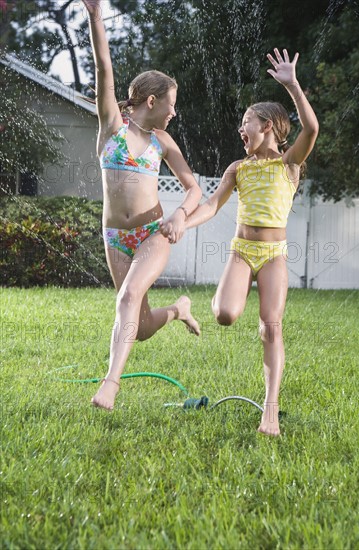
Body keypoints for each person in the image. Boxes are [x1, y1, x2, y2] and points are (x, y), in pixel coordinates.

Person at [162, 49, 319, 436]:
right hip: (241, 252)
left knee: (272, 327)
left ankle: (270, 410)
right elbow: (212, 205)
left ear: (267, 125)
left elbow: (311, 130)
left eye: (245, 121)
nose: (240, 128)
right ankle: (229, 292)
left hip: (273, 255)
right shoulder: (239, 167)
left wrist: (293, 85)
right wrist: (183, 219)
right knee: (226, 315)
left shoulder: (289, 165)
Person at [81, 0, 202, 411]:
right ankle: (179, 309)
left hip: (153, 232)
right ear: (151, 101)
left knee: (127, 296)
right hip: (115, 235)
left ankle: (110, 384)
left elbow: (194, 188)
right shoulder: (112, 127)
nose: (175, 110)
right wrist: (96, 17)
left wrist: (181, 214)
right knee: (144, 324)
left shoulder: (163, 143)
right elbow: (103, 71)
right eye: (171, 102)